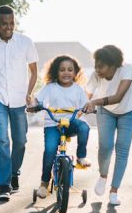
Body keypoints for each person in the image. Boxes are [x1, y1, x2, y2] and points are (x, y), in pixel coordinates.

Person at [0, 5, 38, 202]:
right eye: (4, 24)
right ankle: (3, 185)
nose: (8, 27)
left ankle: (14, 174)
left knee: (20, 141)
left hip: (19, 99)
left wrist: (29, 93)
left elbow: (34, 71)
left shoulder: (25, 42)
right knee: (2, 140)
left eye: (12, 23)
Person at [84, 45, 132, 206]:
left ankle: (114, 191)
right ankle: (103, 176)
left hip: (128, 111)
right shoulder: (96, 75)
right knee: (105, 146)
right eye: (96, 65)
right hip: (106, 112)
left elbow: (118, 97)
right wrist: (80, 110)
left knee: (122, 149)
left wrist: (94, 102)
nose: (97, 69)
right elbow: (86, 95)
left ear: (113, 64)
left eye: (101, 66)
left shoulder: (126, 71)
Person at [33, 55, 91, 198]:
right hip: (53, 124)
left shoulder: (78, 89)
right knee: (50, 150)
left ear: (75, 73)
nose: (66, 73)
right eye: (62, 70)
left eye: (70, 70)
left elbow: (85, 105)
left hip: (70, 123)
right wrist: (34, 105)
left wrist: (88, 108)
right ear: (55, 72)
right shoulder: (50, 88)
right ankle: (44, 184)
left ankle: (81, 157)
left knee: (84, 127)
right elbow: (37, 99)